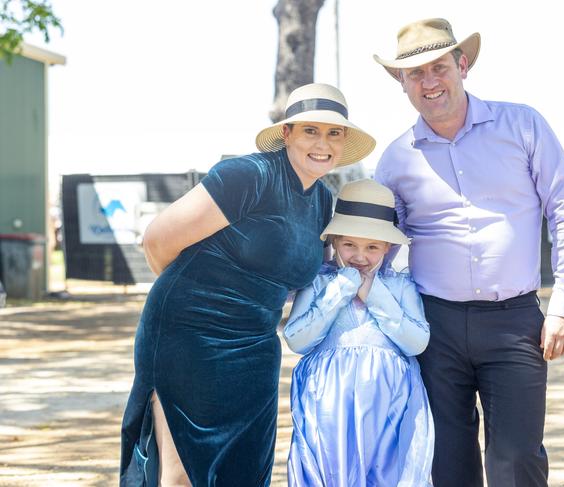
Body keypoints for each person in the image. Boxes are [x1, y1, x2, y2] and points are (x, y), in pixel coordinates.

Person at [119, 83, 376, 486]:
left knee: (243, 469)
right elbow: (157, 240)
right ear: (287, 133)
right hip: (190, 335)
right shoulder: (249, 175)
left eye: (334, 133)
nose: (322, 143)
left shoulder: (324, 202)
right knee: (182, 471)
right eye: (310, 130)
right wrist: (196, 299)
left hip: (256, 344)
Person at [373, 18, 564, 487]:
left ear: (463, 65)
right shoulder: (394, 159)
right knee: (446, 462)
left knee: (517, 461)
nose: (430, 82)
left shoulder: (523, 125)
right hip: (434, 328)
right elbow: (380, 251)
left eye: (439, 67)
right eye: (416, 74)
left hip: (515, 322)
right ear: (401, 83)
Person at [283, 178, 434, 487]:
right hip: (328, 401)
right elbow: (297, 338)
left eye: (372, 247)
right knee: (332, 470)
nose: (360, 256)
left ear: (388, 247)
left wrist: (374, 294)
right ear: (334, 242)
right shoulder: (319, 283)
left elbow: (417, 342)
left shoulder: (400, 286)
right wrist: (339, 291)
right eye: (349, 244)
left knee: (386, 470)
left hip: (388, 400)